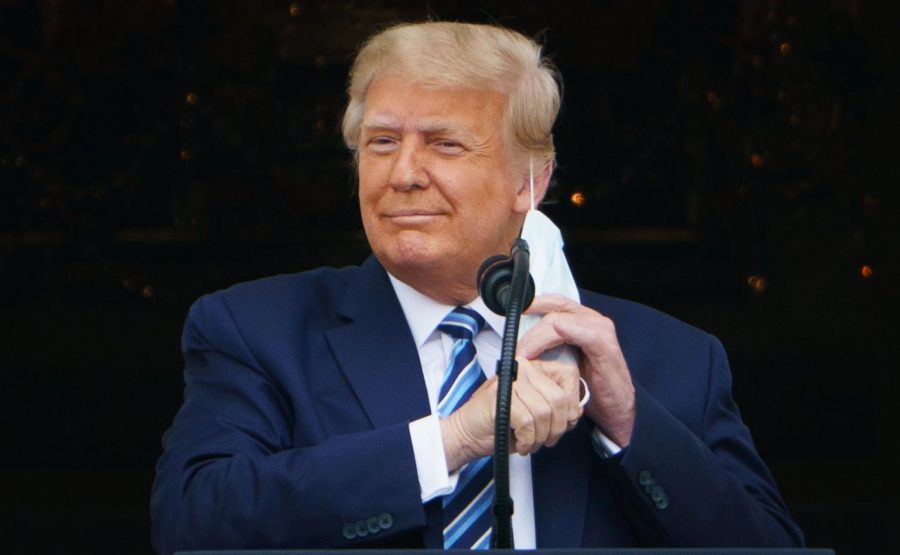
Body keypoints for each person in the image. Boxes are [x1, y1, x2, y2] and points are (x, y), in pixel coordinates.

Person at [150, 21, 804, 553]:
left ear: (531, 181)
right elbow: (193, 518)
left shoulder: (670, 357)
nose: (403, 173)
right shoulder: (255, 329)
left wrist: (630, 425)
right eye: (381, 142)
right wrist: (453, 439)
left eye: (445, 144)